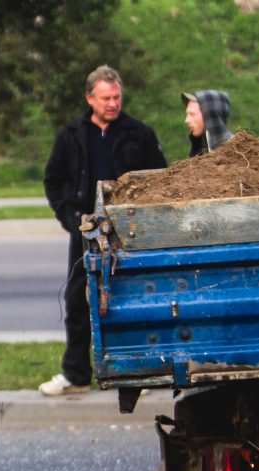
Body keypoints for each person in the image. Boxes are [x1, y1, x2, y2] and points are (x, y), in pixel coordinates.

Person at [40, 65, 167, 396]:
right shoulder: (70, 135)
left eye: (117, 97)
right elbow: (53, 180)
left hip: (128, 232)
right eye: (106, 98)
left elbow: (159, 179)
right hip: (84, 232)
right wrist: (70, 218)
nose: (113, 103)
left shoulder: (140, 134)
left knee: (132, 300)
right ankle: (76, 374)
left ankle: (138, 370)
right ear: (90, 98)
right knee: (78, 300)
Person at [182, 90, 233, 156]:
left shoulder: (235, 152)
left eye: (192, 114)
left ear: (210, 114)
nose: (187, 120)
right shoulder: (201, 149)